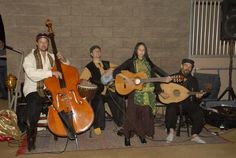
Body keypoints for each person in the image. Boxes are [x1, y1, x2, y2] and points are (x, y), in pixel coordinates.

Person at [112, 42, 170, 146]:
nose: (141, 52)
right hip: (134, 93)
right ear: (136, 50)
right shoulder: (130, 62)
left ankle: (141, 134)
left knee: (143, 116)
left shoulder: (148, 63)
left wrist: (166, 76)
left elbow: (155, 73)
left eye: (143, 50)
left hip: (147, 94)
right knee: (131, 115)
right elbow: (116, 71)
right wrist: (127, 79)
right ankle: (127, 136)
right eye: (139, 49)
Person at [23, 33, 69, 151]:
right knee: (34, 105)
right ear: (37, 43)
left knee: (64, 100)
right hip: (33, 88)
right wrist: (51, 73)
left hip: (50, 89)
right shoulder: (29, 58)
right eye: (41, 42)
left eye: (46, 42)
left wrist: (64, 59)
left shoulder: (51, 56)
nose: (43, 44)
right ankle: (31, 137)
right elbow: (32, 75)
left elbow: (65, 66)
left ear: (48, 44)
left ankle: (65, 128)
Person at [80, 45, 125, 136]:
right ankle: (97, 125)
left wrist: (110, 69)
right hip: (98, 91)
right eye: (95, 51)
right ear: (91, 54)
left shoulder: (106, 63)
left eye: (99, 51)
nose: (98, 53)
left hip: (109, 90)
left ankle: (121, 122)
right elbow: (82, 80)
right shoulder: (89, 67)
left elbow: (120, 67)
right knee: (98, 101)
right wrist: (88, 83)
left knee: (119, 98)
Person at [162, 58, 206, 144]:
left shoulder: (194, 80)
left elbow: (196, 98)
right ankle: (171, 132)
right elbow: (162, 87)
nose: (187, 68)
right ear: (181, 66)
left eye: (190, 67)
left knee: (199, 111)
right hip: (175, 102)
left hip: (188, 103)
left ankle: (195, 135)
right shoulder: (173, 77)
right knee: (171, 108)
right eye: (186, 65)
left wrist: (198, 97)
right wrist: (163, 93)